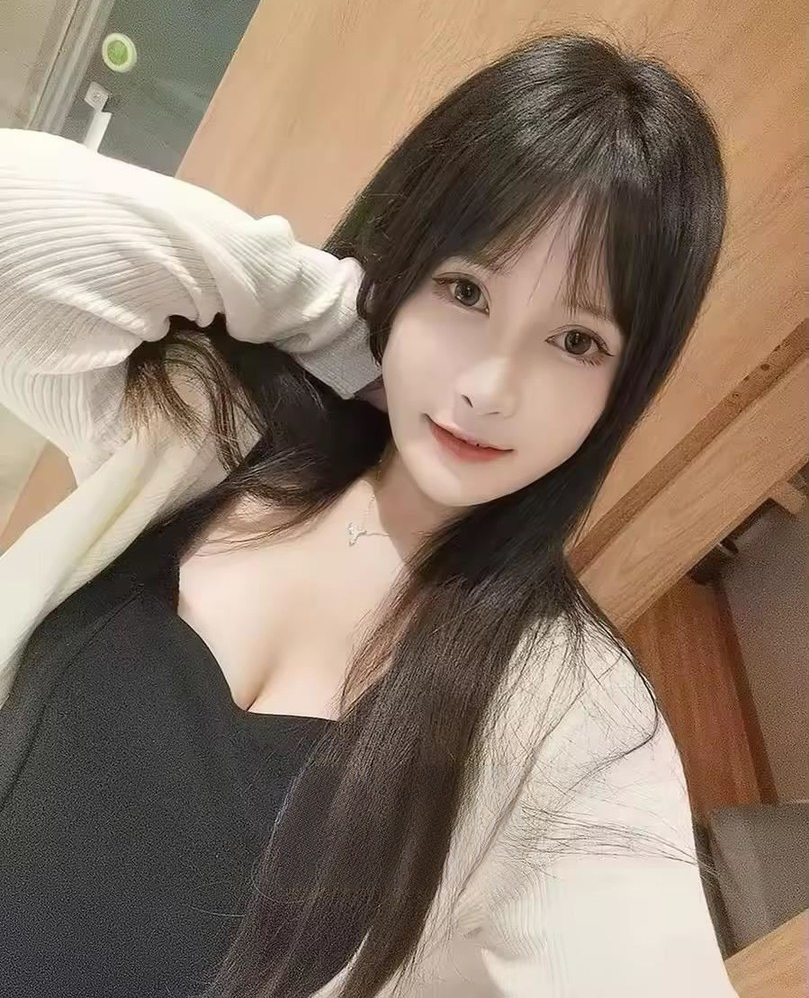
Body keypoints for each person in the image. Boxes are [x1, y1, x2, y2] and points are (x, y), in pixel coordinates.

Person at [0, 32, 736, 998]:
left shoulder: (575, 715)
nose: (488, 388)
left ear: (622, 386)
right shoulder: (205, 425)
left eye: (575, 340)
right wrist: (333, 316)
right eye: (465, 290)